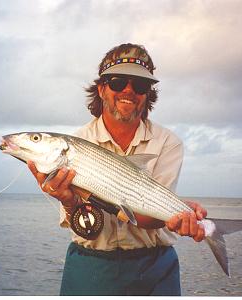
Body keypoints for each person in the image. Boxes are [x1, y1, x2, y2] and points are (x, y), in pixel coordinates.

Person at [28, 43, 207, 296]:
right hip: (90, 266)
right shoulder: (77, 142)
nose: (128, 91)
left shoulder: (168, 142)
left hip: (155, 269)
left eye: (140, 85)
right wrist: (68, 201)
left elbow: (151, 217)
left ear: (148, 93)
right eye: (117, 82)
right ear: (101, 89)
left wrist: (176, 213)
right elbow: (85, 226)